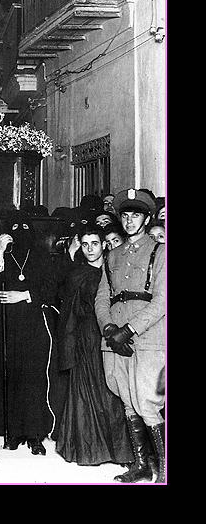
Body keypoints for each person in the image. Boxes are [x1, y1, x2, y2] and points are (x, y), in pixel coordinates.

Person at [94, 189, 165, 483]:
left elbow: (162, 301)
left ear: (147, 218)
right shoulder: (113, 254)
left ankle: (162, 469)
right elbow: (102, 297)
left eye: (136, 215)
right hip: (114, 340)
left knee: (147, 399)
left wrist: (130, 330)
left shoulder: (160, 252)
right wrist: (109, 328)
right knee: (126, 398)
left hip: (147, 339)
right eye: (125, 214)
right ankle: (141, 465)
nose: (129, 220)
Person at [55, 225, 134, 466]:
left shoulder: (116, 269)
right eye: (86, 244)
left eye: (95, 244)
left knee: (113, 389)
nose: (90, 249)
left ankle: (117, 450)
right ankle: (90, 450)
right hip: (87, 335)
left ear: (104, 245)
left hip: (114, 331)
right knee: (88, 389)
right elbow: (71, 309)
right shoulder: (76, 273)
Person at [0, 209, 61, 454]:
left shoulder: (40, 255)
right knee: (10, 377)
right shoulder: (2, 256)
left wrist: (25, 295)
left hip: (34, 324)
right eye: (15, 229)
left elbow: (51, 289)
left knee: (33, 379)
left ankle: (35, 435)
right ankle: (13, 432)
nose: (21, 233)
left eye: (25, 228)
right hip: (8, 325)